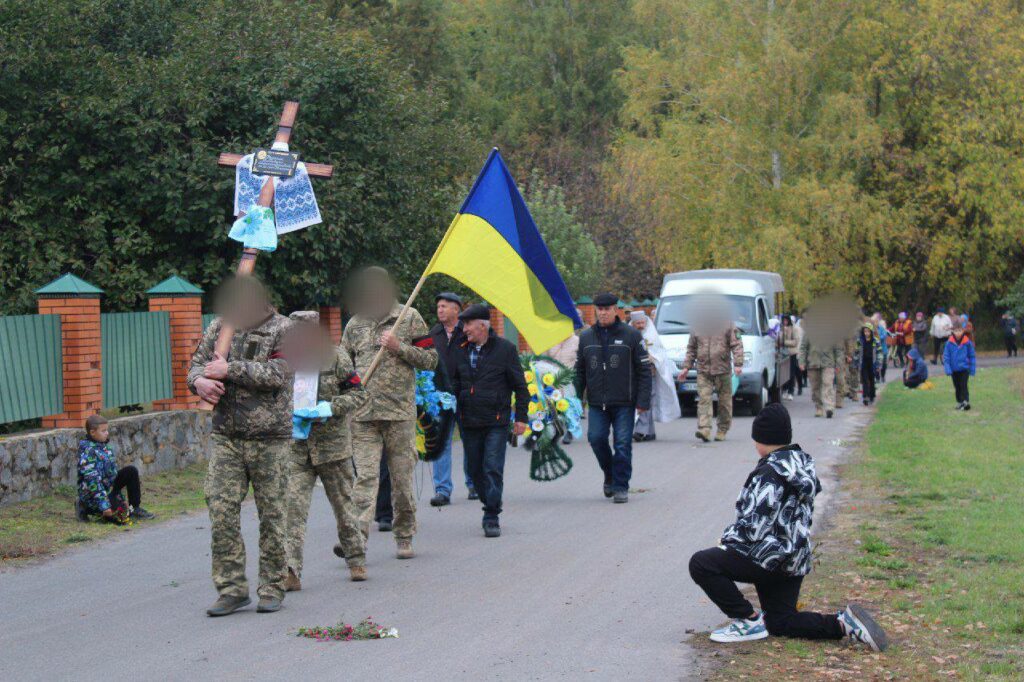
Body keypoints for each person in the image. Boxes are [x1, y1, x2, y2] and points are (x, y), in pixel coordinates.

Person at [688, 404, 888, 651]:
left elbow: (754, 528)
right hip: (794, 559)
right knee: (780, 621)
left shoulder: (768, 474)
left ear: (761, 440)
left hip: (769, 557)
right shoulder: (800, 464)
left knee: (701, 563)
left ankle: (748, 620)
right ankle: (843, 624)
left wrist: (726, 540)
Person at [188, 275, 293, 617]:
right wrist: (200, 382)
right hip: (227, 437)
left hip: (270, 439)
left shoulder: (285, 329)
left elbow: (279, 373)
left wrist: (229, 368)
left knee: (273, 514)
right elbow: (194, 367)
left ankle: (272, 586)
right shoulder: (221, 327)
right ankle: (231, 589)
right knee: (220, 510)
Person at [341, 267, 438, 559]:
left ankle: (404, 535)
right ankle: (356, 539)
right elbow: (343, 367)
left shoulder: (408, 318)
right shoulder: (355, 324)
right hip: (363, 415)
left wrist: (400, 348)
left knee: (402, 481)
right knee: (365, 480)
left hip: (399, 414)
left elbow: (431, 360)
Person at [282, 311, 369, 590]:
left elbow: (358, 394)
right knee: (292, 510)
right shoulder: (281, 361)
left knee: (344, 507)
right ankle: (290, 570)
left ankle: (356, 559)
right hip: (297, 447)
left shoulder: (337, 356)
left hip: (333, 446)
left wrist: (330, 407)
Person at [448, 304, 528, 537]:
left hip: (496, 421)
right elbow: (453, 381)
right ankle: (490, 501)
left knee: (492, 467)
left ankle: (491, 515)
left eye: (468, 324)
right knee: (474, 470)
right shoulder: (460, 349)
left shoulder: (505, 349)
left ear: (482, 326)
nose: (465, 329)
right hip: (468, 420)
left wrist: (521, 418)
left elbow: (520, 387)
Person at [575, 293, 652, 504]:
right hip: (597, 402)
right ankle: (609, 473)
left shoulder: (631, 336)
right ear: (595, 311)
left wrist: (643, 401)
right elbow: (579, 371)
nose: (603, 313)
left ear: (615, 310)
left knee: (623, 444)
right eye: (599, 309)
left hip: (624, 401)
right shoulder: (586, 337)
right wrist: (576, 400)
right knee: (596, 439)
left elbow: (644, 370)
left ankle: (620, 486)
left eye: (607, 309)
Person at [426, 291, 471, 506]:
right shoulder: (433, 334)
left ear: (456, 309)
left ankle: (473, 484)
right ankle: (442, 489)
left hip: (466, 394)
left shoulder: (467, 332)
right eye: (438, 307)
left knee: (470, 440)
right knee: (442, 443)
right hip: (441, 397)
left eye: (444, 306)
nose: (440, 310)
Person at [677, 308, 743, 442]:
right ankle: (704, 429)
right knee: (704, 400)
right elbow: (691, 349)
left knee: (724, 402)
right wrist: (686, 367)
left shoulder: (728, 324)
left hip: (723, 369)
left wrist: (738, 363)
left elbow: (737, 345)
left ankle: (722, 429)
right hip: (703, 370)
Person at [76, 414, 155, 523]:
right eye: (103, 431)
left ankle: (134, 509)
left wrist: (121, 499)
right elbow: (93, 481)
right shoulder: (88, 451)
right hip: (91, 492)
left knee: (131, 471)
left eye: (107, 430)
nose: (107, 433)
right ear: (92, 432)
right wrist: (104, 506)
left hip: (106, 489)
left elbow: (113, 478)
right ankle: (84, 506)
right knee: (116, 518)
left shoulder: (106, 448)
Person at [629, 310, 681, 441]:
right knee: (638, 400)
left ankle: (640, 430)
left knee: (646, 398)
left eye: (642, 322)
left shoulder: (652, 335)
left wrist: (654, 358)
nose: (641, 325)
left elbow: (661, 353)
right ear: (633, 323)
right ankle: (649, 432)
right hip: (632, 373)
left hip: (649, 372)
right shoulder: (628, 335)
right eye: (638, 323)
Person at [545, 320, 582, 444]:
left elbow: (582, 359)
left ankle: (570, 431)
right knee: (553, 407)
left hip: (569, 378)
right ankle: (556, 430)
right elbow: (543, 358)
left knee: (569, 405)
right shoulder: (549, 339)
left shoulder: (577, 340)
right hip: (551, 379)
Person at [798, 331, 842, 419]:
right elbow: (803, 347)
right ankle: (818, 407)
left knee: (828, 383)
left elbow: (838, 349)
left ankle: (829, 407)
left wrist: (838, 363)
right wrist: (802, 362)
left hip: (828, 362)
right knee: (815, 387)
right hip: (813, 362)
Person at [943, 319, 976, 410]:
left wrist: (972, 369)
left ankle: (966, 402)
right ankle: (960, 402)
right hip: (954, 369)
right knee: (957, 386)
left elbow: (972, 356)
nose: (958, 333)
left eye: (960, 330)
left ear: (963, 330)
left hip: (964, 368)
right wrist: (948, 369)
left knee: (963, 385)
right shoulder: (949, 343)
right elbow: (946, 357)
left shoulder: (967, 342)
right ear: (953, 331)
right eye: (956, 331)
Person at [855, 323, 884, 405]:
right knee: (865, 380)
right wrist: (856, 363)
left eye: (868, 331)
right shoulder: (860, 341)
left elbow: (879, 353)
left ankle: (871, 395)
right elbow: (856, 352)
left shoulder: (875, 341)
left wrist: (879, 364)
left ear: (871, 332)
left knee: (871, 379)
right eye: (865, 331)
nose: (866, 333)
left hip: (873, 363)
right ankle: (865, 396)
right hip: (863, 363)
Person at [780, 316, 800, 400]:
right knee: (784, 373)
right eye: (783, 320)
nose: (785, 322)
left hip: (791, 353)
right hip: (782, 353)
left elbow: (795, 341)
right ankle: (784, 390)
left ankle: (791, 391)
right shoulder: (780, 328)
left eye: (786, 320)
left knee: (791, 373)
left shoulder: (794, 329)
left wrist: (785, 342)